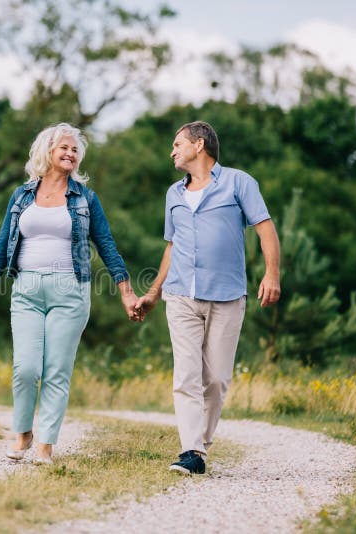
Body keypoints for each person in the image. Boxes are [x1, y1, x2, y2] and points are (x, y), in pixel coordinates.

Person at [0, 122, 139, 464]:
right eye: (64, 147)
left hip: (70, 291)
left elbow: (106, 244)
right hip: (27, 290)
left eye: (75, 150)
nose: (70, 154)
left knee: (56, 371)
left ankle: (46, 445)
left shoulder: (85, 198)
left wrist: (125, 290)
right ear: (47, 151)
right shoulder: (21, 195)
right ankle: (23, 433)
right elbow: (3, 241)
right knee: (25, 368)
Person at [135, 121, 281, 475]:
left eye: (177, 144)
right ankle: (193, 452)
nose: (172, 151)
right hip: (181, 294)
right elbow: (172, 247)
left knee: (215, 378)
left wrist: (272, 274)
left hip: (227, 295)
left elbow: (266, 229)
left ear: (199, 145)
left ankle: (199, 445)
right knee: (186, 375)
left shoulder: (239, 183)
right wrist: (154, 293)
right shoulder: (173, 194)